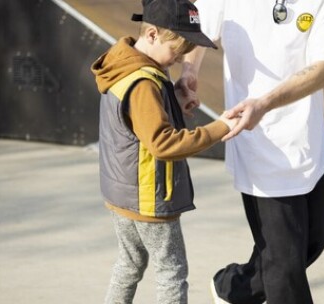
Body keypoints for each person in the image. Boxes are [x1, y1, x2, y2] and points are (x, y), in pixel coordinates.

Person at [176, 0, 324, 303]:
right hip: (255, 142)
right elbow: (196, 28)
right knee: (285, 267)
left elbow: (322, 70)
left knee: (313, 239)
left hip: (310, 141)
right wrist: (189, 71)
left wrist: (265, 103)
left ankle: (235, 289)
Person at [90, 0, 237, 303]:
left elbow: (135, 125)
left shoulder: (123, 65)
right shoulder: (144, 82)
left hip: (122, 195)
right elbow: (163, 143)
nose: (180, 57)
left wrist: (174, 104)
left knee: (128, 266)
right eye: (177, 50)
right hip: (148, 199)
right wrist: (220, 128)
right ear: (153, 34)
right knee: (172, 272)